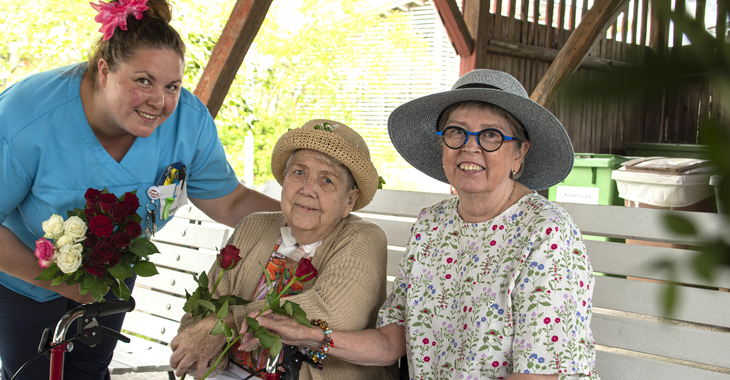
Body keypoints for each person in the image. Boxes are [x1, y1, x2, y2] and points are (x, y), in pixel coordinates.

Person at [244, 70, 600, 380]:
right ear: (443, 145)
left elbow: (536, 375)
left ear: (519, 154)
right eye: (456, 132)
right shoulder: (432, 224)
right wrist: (313, 336)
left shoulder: (547, 232)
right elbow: (390, 342)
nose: (470, 147)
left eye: (491, 135)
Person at [0, 1, 279, 379]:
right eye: (143, 81)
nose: (159, 103)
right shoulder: (27, 115)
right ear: (103, 71)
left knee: (91, 373)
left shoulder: (188, 122)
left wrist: (307, 220)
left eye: (173, 86)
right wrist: (64, 283)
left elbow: (232, 201)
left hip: (111, 275)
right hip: (24, 279)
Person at [170, 119, 398, 380]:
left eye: (327, 180)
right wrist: (203, 342)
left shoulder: (363, 238)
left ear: (349, 200)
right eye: (299, 173)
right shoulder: (254, 226)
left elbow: (334, 312)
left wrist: (228, 323)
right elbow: (201, 311)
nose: (307, 189)